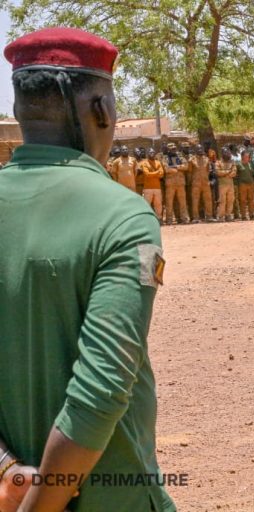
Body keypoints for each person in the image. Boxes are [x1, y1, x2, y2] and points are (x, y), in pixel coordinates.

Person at [0, 27, 175, 511]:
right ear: (101, 110)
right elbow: (101, 388)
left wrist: (6, 471)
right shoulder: (123, 216)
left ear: (20, 112)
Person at [163, 142, 189, 225]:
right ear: (168, 150)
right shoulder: (165, 158)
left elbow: (186, 166)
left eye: (174, 148)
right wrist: (177, 169)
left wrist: (176, 167)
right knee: (169, 202)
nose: (174, 150)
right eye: (172, 149)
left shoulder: (180, 157)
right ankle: (169, 219)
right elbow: (166, 169)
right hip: (170, 183)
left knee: (182, 202)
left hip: (180, 183)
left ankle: (184, 218)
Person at [188, 144, 214, 222]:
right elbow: (189, 172)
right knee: (195, 200)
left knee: (208, 200)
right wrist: (190, 182)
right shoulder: (192, 160)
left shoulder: (206, 159)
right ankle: (196, 217)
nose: (200, 150)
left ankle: (209, 216)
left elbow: (208, 170)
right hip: (196, 183)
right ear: (195, 150)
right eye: (198, 148)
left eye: (201, 148)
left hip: (205, 182)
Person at [141, 148, 165, 219]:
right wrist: (157, 172)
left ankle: (159, 218)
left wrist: (153, 174)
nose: (152, 154)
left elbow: (162, 174)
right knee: (147, 205)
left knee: (158, 205)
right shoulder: (144, 163)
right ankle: (147, 219)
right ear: (147, 154)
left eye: (153, 153)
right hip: (147, 188)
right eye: (150, 152)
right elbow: (147, 174)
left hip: (157, 188)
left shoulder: (158, 162)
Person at [215, 146, 237, 221]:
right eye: (226, 153)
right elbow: (218, 172)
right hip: (222, 185)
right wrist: (228, 172)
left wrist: (225, 173)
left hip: (230, 185)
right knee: (222, 201)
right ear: (222, 154)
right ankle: (221, 216)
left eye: (228, 153)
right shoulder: (218, 162)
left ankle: (228, 215)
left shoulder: (232, 162)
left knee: (230, 200)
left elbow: (234, 172)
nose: (228, 154)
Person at [236, 147, 254, 220]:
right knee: (243, 200)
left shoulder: (249, 164)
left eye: (248, 156)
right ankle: (243, 216)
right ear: (242, 157)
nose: (248, 158)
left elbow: (253, 173)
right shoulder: (238, 164)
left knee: (251, 199)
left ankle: (251, 214)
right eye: (246, 156)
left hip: (250, 184)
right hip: (242, 184)